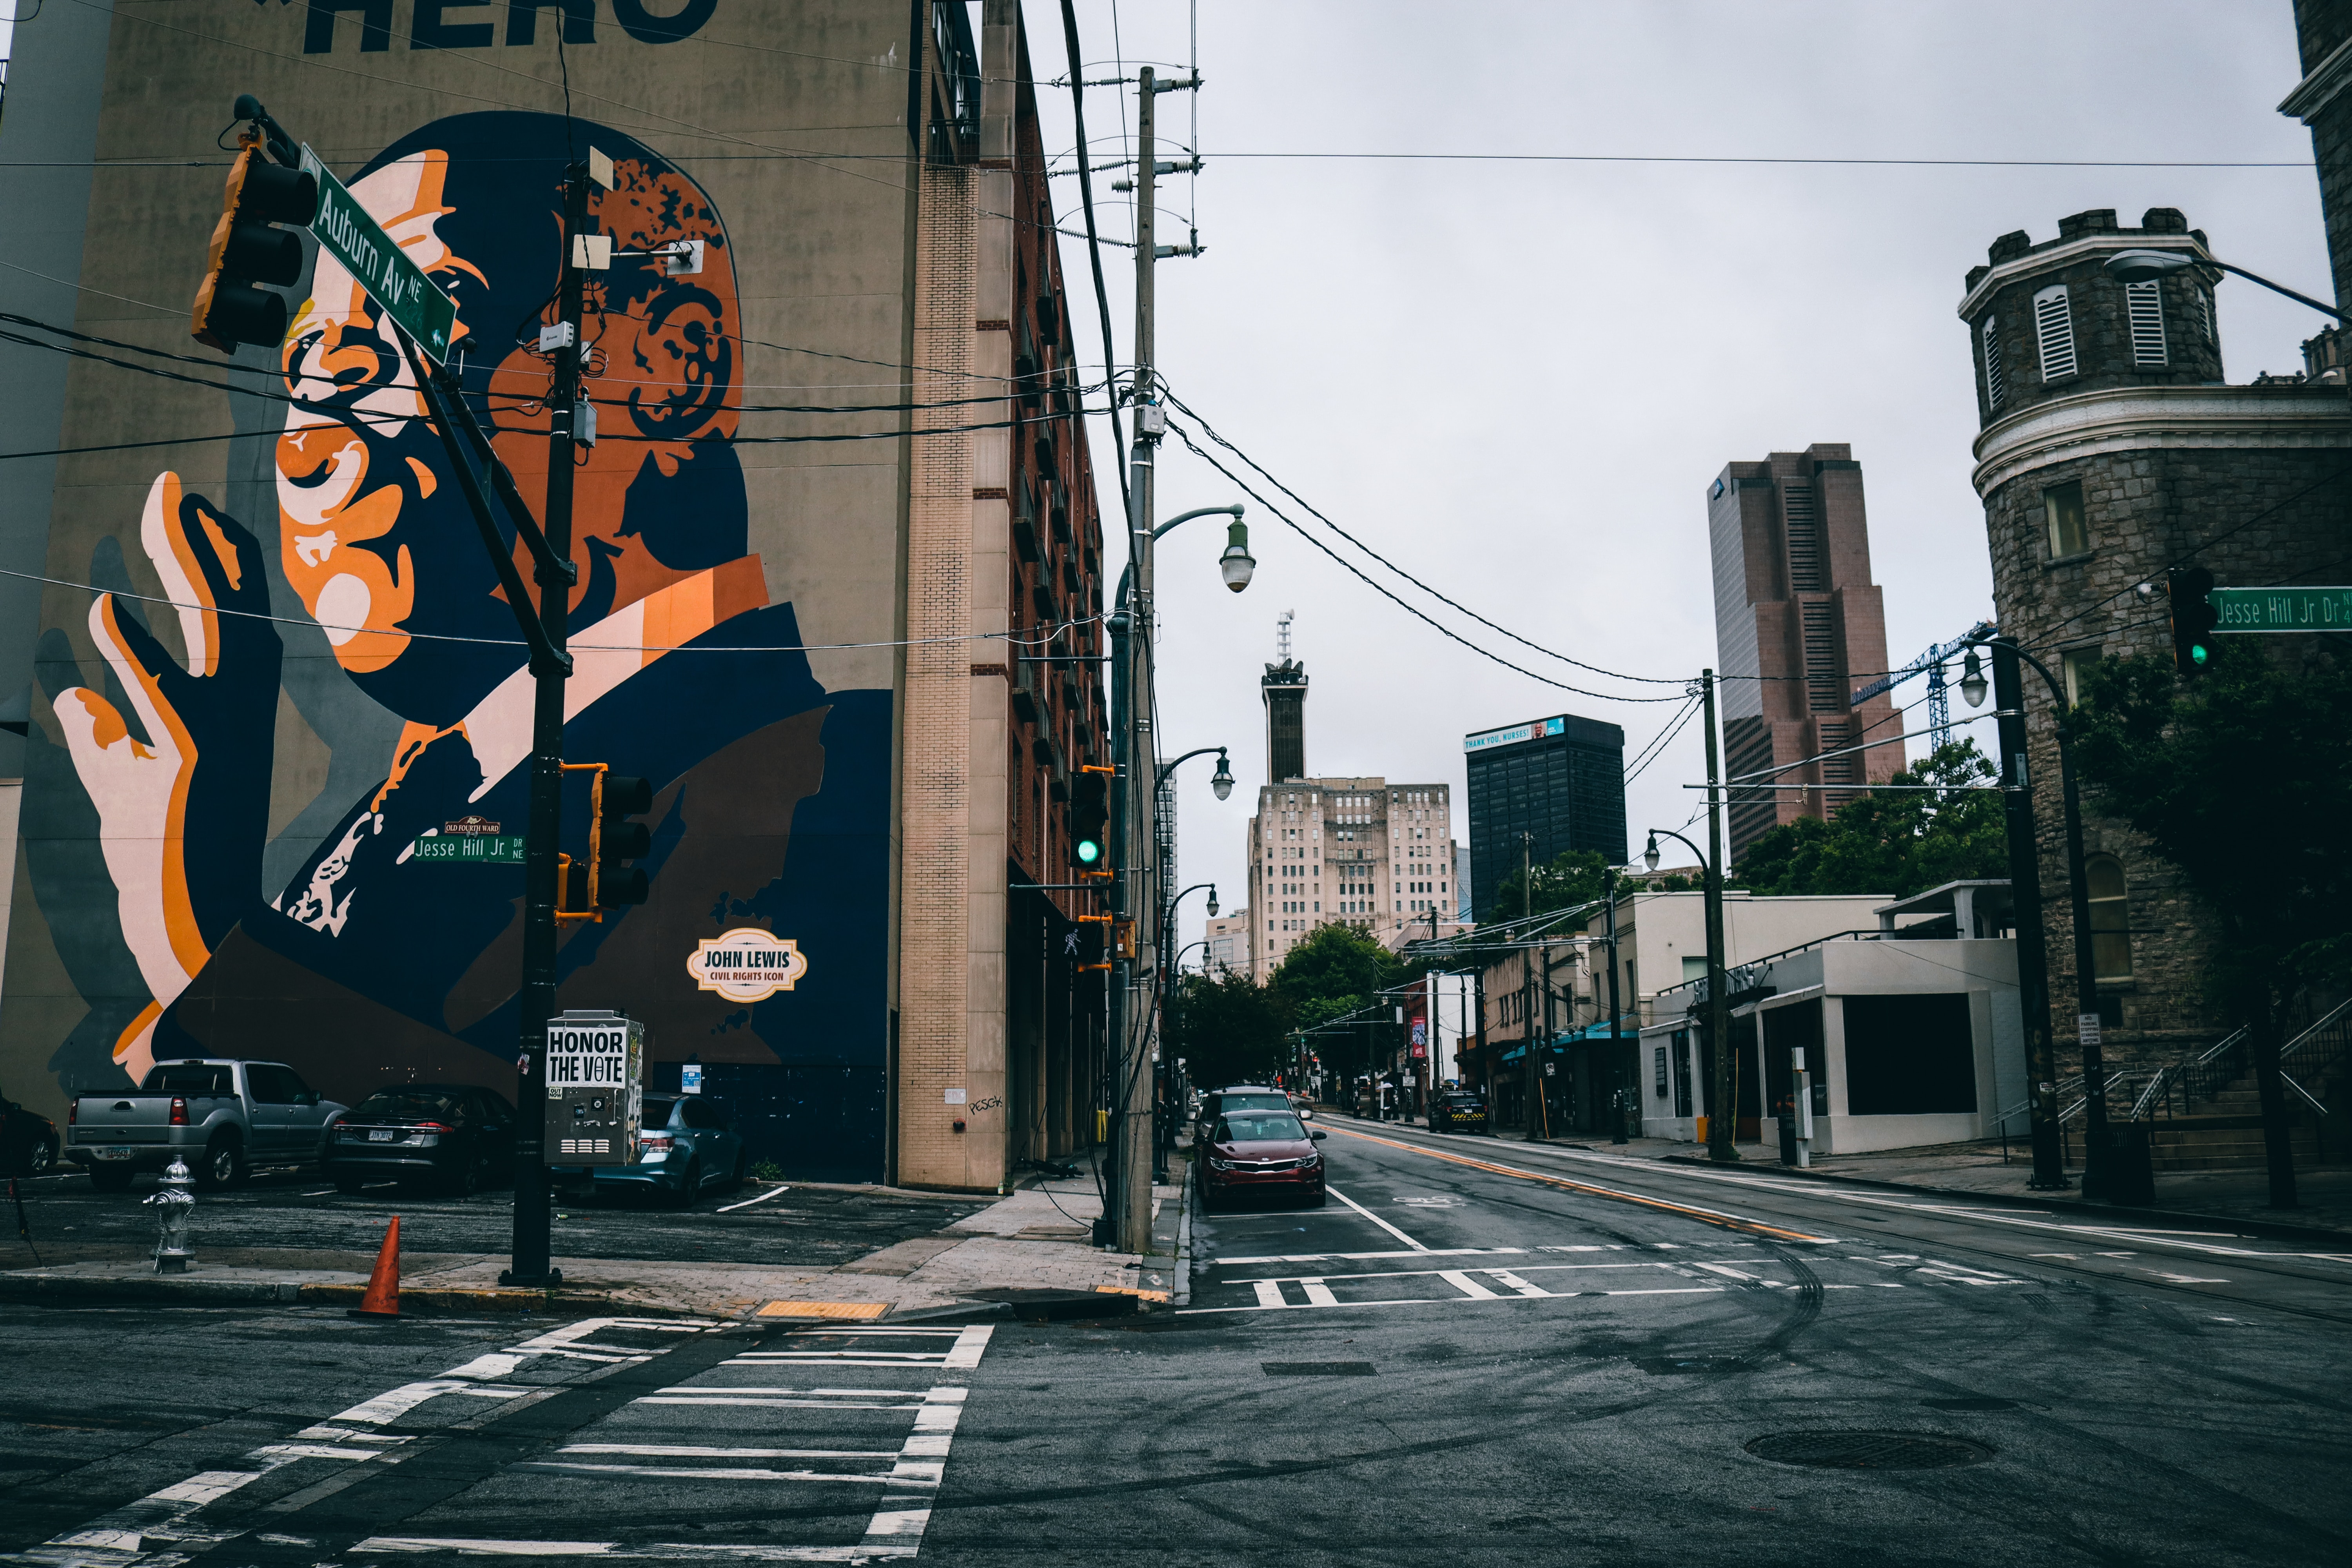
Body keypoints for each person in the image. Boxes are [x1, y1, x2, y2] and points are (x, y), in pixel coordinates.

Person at [52, 112, 885, 1093]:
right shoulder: (444, 772)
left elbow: (494, 1098)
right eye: (308, 367)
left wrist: (196, 915)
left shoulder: (822, 774)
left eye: (419, 323)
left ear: (671, 374)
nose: (314, 440)